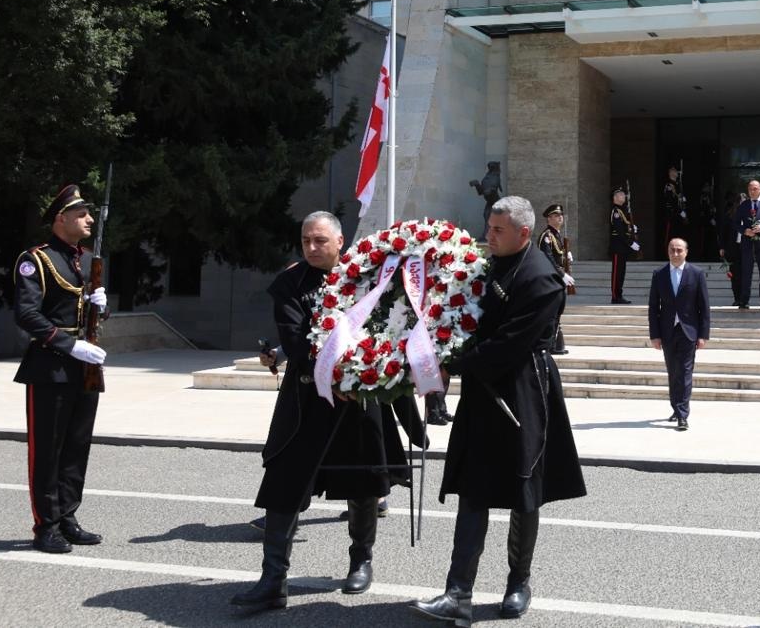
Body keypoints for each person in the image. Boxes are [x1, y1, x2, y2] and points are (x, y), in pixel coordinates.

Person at [232, 211, 424, 613]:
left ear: (340, 242)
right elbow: (296, 340)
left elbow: (387, 332)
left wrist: (365, 378)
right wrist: (336, 380)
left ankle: (361, 560)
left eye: (320, 241)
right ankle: (273, 580)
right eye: (306, 241)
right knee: (284, 484)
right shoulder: (289, 283)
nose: (312, 248)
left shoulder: (367, 278)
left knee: (364, 483)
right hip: (307, 398)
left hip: (362, 400)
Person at [411, 196, 586, 626]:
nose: (488, 236)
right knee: (474, 489)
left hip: (524, 389)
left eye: (497, 231)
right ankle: (458, 593)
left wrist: (452, 363)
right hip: (481, 391)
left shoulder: (542, 278)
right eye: (488, 228)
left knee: (524, 494)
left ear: (524, 234)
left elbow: (510, 344)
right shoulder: (488, 264)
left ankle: (518, 582)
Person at [13, 184, 108, 554]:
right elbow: (27, 314)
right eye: (82, 214)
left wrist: (101, 305)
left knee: (76, 446)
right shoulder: (36, 259)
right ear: (61, 219)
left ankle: (68, 516)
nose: (88, 220)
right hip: (51, 366)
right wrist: (71, 344)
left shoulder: (79, 260)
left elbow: (82, 311)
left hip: (83, 368)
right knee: (48, 450)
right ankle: (46, 525)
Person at [647, 238, 710, 431]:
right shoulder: (659, 274)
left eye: (679, 250)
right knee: (673, 371)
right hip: (667, 331)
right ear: (668, 252)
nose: (675, 253)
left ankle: (683, 414)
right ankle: (676, 406)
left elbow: (704, 307)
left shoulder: (696, 274)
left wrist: (703, 334)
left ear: (686, 252)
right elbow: (653, 307)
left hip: (688, 331)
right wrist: (654, 335)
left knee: (684, 372)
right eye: (672, 250)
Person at [732, 179, 760, 310]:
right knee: (746, 273)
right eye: (750, 189)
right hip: (747, 244)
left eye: (755, 189)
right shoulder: (743, 205)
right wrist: (744, 230)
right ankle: (744, 301)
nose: (752, 191)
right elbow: (735, 223)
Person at [537, 203, 575, 355]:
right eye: (556, 215)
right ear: (549, 218)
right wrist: (562, 274)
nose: (560, 218)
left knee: (557, 312)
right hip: (551, 280)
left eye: (560, 215)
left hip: (558, 281)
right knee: (551, 313)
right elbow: (547, 258)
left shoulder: (557, 235)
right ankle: (548, 344)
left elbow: (558, 255)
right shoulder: (546, 236)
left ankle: (553, 343)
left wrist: (567, 256)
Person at [609, 187, 638, 304]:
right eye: (621, 194)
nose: (624, 196)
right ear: (615, 198)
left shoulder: (622, 211)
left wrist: (632, 228)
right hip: (617, 247)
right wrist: (631, 243)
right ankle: (615, 296)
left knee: (621, 272)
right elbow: (619, 231)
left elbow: (625, 227)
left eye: (624, 194)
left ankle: (619, 295)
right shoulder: (616, 212)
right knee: (617, 272)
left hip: (622, 247)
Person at [469, 161, 503, 240]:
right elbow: (481, 192)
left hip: (495, 202)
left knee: (492, 218)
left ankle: (491, 236)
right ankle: (486, 236)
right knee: (487, 216)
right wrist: (477, 184)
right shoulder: (487, 177)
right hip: (490, 202)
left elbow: (493, 189)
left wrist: (490, 190)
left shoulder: (495, 177)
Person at [662, 165, 688, 248]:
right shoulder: (669, 185)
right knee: (671, 236)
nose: (677, 172)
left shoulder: (677, 185)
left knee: (678, 237)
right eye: (675, 171)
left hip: (678, 215)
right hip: (672, 214)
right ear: (671, 173)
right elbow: (670, 201)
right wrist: (680, 211)